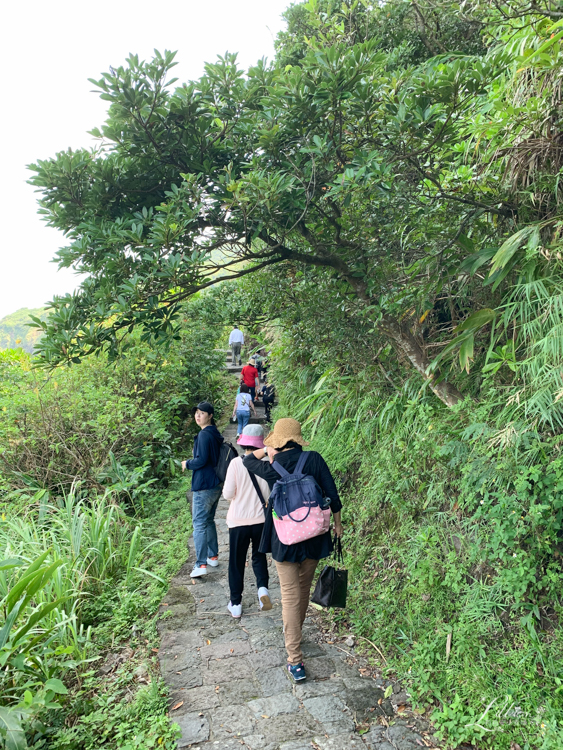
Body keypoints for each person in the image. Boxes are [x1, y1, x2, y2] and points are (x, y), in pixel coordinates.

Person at [243, 418, 343, 682]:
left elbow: (247, 461)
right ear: (298, 439)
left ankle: (294, 659)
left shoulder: (273, 465)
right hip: (313, 536)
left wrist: (267, 450)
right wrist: (338, 524)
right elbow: (332, 494)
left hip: (284, 539)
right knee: (302, 590)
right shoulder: (313, 459)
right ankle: (293, 636)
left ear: (279, 441)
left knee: (289, 595)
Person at [222, 424, 272, 618]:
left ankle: (236, 604)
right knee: (259, 557)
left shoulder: (236, 463)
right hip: (261, 520)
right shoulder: (268, 462)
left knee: (236, 561)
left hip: (238, 522)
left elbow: (227, 494)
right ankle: (262, 590)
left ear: (244, 444)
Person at [181, 402, 224, 578]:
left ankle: (200, 564)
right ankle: (212, 555)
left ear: (210, 415)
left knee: (199, 523)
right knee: (208, 521)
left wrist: (187, 463)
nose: (198, 416)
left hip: (204, 485)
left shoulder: (204, 435)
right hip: (215, 484)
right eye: (196, 413)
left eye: (202, 413)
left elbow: (201, 460)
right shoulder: (215, 433)